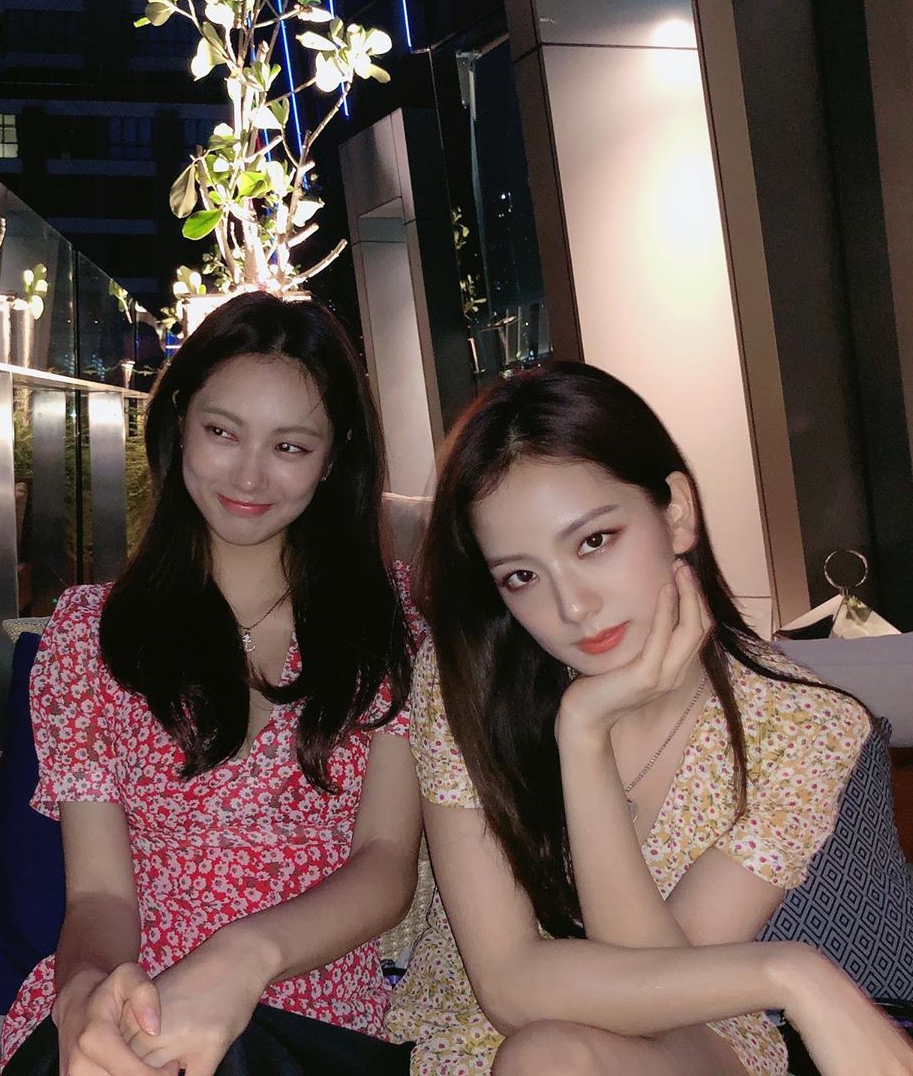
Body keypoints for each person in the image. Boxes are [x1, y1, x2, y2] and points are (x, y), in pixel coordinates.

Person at [385, 363, 913, 1075]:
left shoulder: (804, 727)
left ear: (677, 512)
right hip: (479, 1042)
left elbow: (661, 993)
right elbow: (507, 983)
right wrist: (792, 973)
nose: (573, 607)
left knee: (551, 1056)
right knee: (548, 1054)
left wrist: (587, 747)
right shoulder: (465, 683)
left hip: (690, 1046)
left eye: (594, 541)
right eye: (522, 576)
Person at [0, 291, 423, 1076]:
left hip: (312, 1011)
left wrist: (242, 957)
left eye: (290, 446)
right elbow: (99, 896)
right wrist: (86, 990)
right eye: (222, 432)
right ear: (178, 424)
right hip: (135, 997)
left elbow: (386, 863)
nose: (249, 474)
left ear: (335, 459)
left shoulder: (390, 624)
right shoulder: (89, 633)